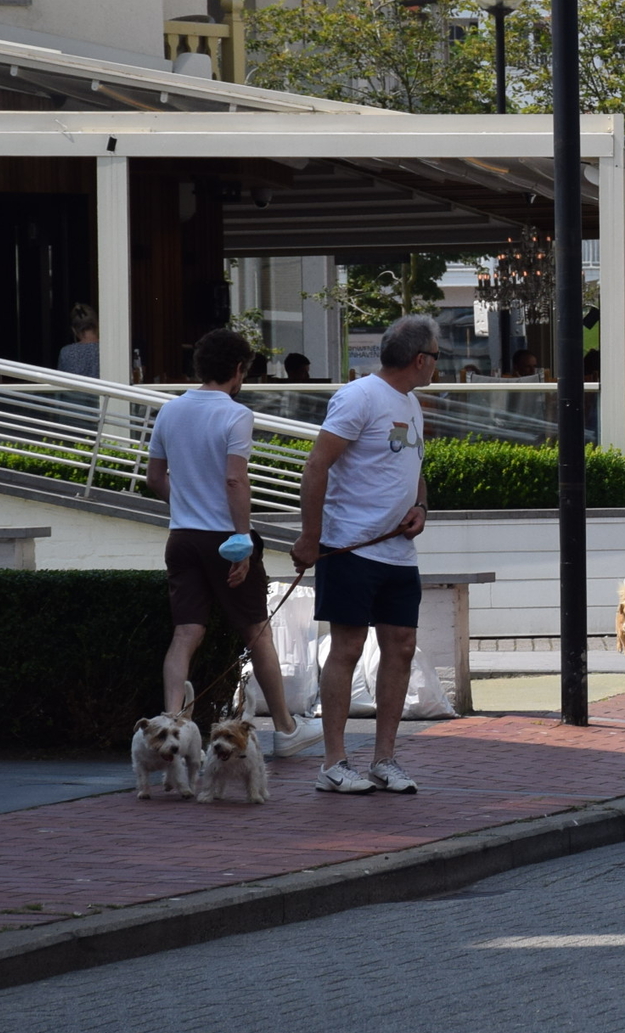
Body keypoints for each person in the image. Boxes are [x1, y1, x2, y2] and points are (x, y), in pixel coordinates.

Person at [149, 328, 317, 766]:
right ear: (238, 370)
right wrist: (241, 539)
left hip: (181, 536)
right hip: (225, 537)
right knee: (257, 630)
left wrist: (186, 503)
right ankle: (285, 729)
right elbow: (234, 479)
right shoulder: (236, 414)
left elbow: (153, 479)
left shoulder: (169, 411)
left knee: (185, 634)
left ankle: (171, 725)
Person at [295, 314, 438, 794]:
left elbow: (413, 465)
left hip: (399, 553)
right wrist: (310, 539)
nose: (438, 364)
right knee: (348, 647)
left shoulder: (412, 403)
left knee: (400, 646)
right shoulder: (358, 397)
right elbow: (316, 467)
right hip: (349, 548)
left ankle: (385, 759)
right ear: (420, 360)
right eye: (437, 356)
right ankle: (334, 762)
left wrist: (420, 505)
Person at [57, 304, 100, 378]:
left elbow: (60, 383)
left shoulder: (66, 353)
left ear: (74, 330)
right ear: (98, 325)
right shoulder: (109, 350)